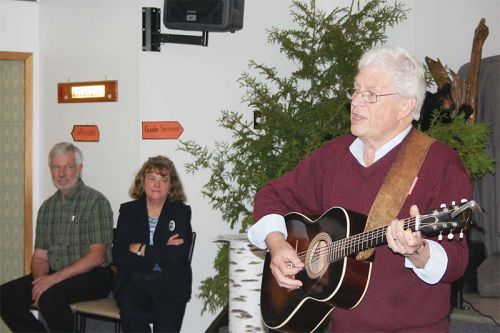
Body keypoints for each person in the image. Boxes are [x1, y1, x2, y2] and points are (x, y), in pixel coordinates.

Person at [248, 46, 472, 332]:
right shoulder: (334, 155)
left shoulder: (440, 163)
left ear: (405, 106)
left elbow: (458, 260)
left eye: (371, 95)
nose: (356, 102)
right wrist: (277, 244)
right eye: (355, 91)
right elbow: (272, 195)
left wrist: (419, 252)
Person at [0, 142, 114, 332]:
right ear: (51, 170)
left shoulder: (96, 202)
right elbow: (40, 257)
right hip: (54, 274)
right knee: (5, 296)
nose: (62, 174)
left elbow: (97, 256)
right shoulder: (47, 207)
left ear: (79, 168)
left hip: (93, 275)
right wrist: (40, 281)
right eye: (56, 167)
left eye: (68, 167)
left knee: (50, 297)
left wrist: (52, 281)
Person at [112, 155, 192, 333]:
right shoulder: (128, 211)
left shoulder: (180, 212)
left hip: (170, 282)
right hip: (134, 280)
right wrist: (161, 251)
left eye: (163, 180)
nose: (157, 185)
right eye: (152, 178)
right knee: (132, 316)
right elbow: (118, 254)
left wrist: (141, 248)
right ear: (143, 182)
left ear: (171, 185)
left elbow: (177, 254)